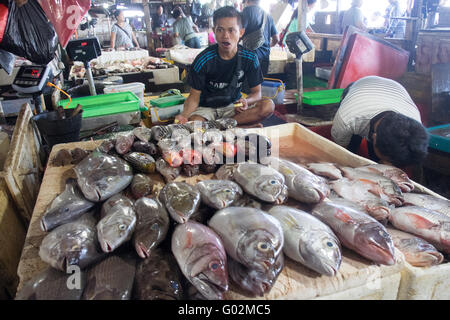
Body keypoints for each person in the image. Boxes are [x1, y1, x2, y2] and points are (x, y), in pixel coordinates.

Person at [174, 6, 274, 128]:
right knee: (194, 123)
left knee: (268, 106)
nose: (225, 36)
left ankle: (218, 126)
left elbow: (257, 93)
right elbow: (194, 98)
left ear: (241, 32)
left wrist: (246, 101)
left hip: (233, 108)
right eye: (220, 30)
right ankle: (236, 127)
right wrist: (184, 115)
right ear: (214, 31)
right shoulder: (203, 59)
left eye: (231, 30)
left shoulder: (250, 58)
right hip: (206, 109)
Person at [331, 76, 429, 168]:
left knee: (377, 160)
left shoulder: (415, 124)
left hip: (394, 91)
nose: (388, 163)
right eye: (387, 160)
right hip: (361, 87)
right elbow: (339, 153)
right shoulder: (347, 119)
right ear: (374, 137)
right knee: (349, 151)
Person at [241, 0, 278, 76]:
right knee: (261, 84)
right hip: (265, 57)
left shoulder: (246, 11)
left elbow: (239, 32)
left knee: (248, 85)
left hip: (250, 57)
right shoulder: (268, 16)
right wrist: (266, 45)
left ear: (247, 1)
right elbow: (276, 39)